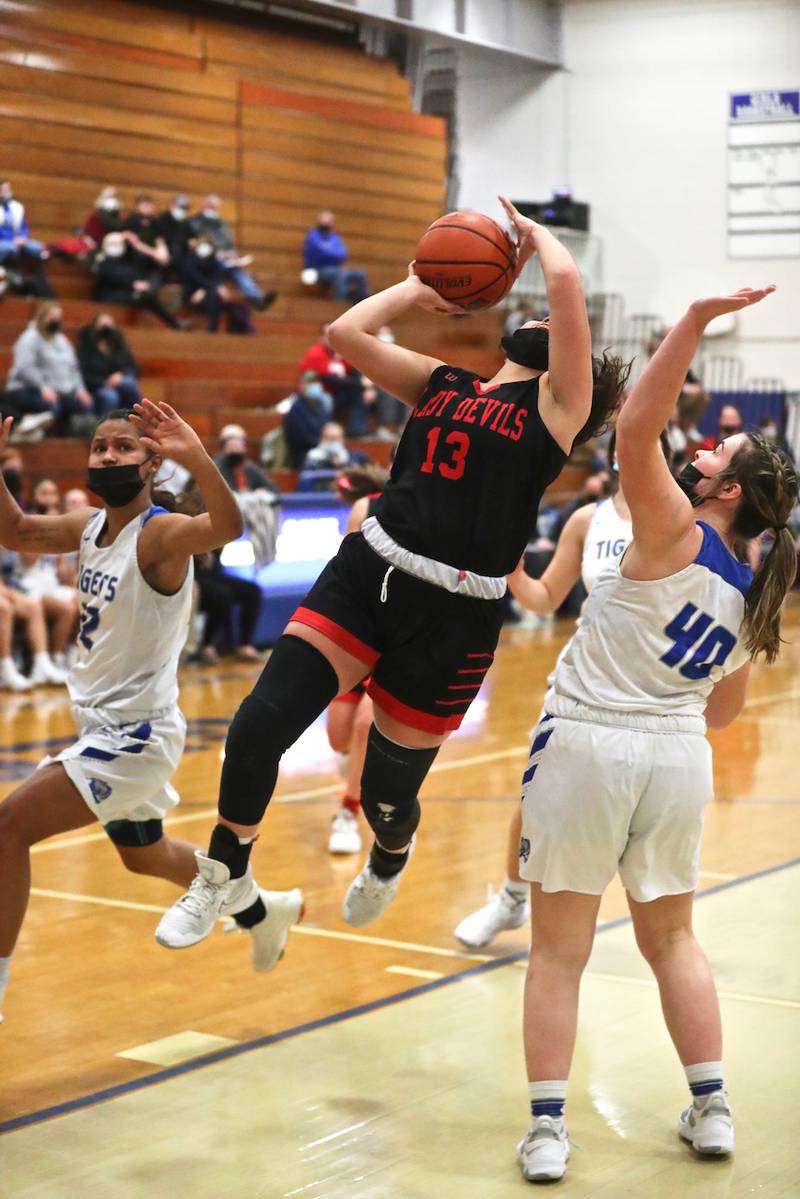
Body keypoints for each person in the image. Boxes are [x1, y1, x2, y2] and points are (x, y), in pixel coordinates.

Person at [153, 195, 629, 951]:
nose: (541, 320)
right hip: (369, 574)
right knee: (256, 726)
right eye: (534, 317)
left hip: (456, 613)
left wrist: (540, 239)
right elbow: (345, 333)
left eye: (550, 325)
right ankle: (221, 872)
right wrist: (418, 288)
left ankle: (389, 851)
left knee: (386, 792)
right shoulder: (444, 382)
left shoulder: (557, 411)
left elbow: (565, 294)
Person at [514, 284, 798, 1183]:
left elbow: (635, 427)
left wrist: (694, 322)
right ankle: (712, 1108)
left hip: (593, 740)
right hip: (678, 755)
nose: (700, 450)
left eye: (716, 450)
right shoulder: (756, 587)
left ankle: (550, 1128)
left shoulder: (673, 524)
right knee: (673, 939)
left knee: (559, 947)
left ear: (724, 488)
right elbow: (723, 712)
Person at [0, 401, 303, 1024]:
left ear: (150, 463)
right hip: (101, 725)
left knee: (8, 827)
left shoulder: (160, 534)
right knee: (144, 855)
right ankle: (262, 909)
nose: (107, 456)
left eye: (122, 447)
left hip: (135, 736)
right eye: (100, 446)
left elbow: (226, 528)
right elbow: (17, 532)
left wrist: (198, 455)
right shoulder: (88, 527)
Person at [454, 430, 639, 949]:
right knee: (535, 791)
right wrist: (510, 563)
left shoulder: (678, 519)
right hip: (581, 679)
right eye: (625, 439)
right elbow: (545, 597)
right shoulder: (588, 519)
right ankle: (512, 899)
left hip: (648, 692)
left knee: (628, 812)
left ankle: (653, 923)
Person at [325, 465, 389, 854]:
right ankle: (355, 767)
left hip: (402, 638)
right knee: (338, 737)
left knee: (367, 725)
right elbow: (348, 570)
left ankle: (347, 812)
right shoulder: (367, 507)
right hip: (360, 630)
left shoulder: (441, 510)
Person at [3, 301, 94, 433]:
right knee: (51, 406)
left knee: (85, 405)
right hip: (27, 388)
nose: (55, 320)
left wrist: (79, 388)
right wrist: (42, 386)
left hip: (60, 391)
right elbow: (24, 368)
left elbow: (74, 368)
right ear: (42, 317)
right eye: (52, 316)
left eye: (58, 317)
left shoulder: (62, 340)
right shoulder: (29, 337)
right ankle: (29, 433)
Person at [190, 195, 275, 312]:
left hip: (226, 260)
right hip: (207, 262)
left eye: (216, 207)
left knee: (236, 270)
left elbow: (229, 243)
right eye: (211, 206)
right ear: (204, 205)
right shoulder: (195, 222)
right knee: (230, 266)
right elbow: (199, 244)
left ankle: (258, 299)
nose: (214, 209)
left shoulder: (222, 223)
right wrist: (220, 254)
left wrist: (234, 257)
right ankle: (256, 299)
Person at [94, 232, 187, 331]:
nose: (116, 247)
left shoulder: (126, 259)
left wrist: (135, 243)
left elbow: (157, 260)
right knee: (148, 296)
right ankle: (174, 321)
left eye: (118, 244)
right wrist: (133, 284)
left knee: (150, 290)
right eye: (112, 244)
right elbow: (113, 276)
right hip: (111, 295)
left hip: (129, 292)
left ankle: (174, 321)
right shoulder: (103, 261)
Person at [77, 313, 141, 414]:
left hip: (119, 384)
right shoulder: (86, 348)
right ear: (94, 327)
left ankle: (136, 420)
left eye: (109, 325)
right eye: (102, 325)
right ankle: (107, 427)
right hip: (97, 387)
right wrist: (104, 383)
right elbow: (82, 373)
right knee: (110, 396)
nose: (106, 329)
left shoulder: (120, 346)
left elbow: (133, 367)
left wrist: (120, 375)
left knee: (129, 383)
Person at [303, 209, 369, 304]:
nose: (326, 222)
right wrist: (332, 253)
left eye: (328, 219)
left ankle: (360, 303)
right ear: (318, 220)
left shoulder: (335, 237)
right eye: (324, 219)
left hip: (335, 269)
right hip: (314, 271)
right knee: (340, 273)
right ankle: (340, 304)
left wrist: (328, 251)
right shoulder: (312, 235)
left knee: (360, 273)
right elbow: (318, 252)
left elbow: (343, 254)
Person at [283, 372, 334, 468]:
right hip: (303, 453)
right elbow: (298, 438)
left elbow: (328, 427)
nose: (313, 386)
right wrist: (320, 445)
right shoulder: (296, 408)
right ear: (301, 386)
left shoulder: (321, 405)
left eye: (315, 382)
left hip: (323, 448)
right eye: (309, 383)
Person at [213, 424, 280, 495]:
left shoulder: (249, 466)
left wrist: (262, 491)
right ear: (223, 447)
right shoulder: (217, 468)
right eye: (231, 444)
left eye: (239, 442)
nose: (235, 446)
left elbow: (273, 488)